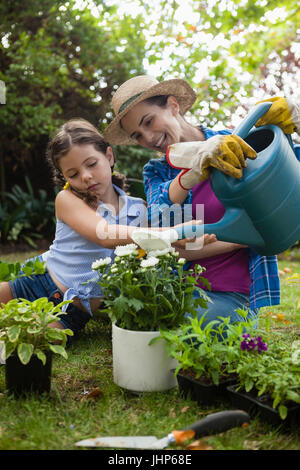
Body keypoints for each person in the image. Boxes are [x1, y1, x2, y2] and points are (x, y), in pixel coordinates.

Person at [104, 76, 300, 327]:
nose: (148, 138)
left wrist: (295, 117)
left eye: (149, 122)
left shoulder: (236, 142)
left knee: (194, 331)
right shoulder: (157, 171)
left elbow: (289, 175)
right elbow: (161, 230)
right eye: (138, 135)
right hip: (182, 288)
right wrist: (190, 175)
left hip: (235, 292)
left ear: (173, 106)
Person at [0, 118, 214, 342]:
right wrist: (169, 235)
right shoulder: (68, 199)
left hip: (71, 312)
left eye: (91, 164)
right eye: (73, 174)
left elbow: (168, 243)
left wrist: (196, 235)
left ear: (109, 156)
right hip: (35, 285)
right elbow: (105, 234)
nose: (85, 176)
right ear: (64, 178)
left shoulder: (138, 208)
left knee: (18, 342)